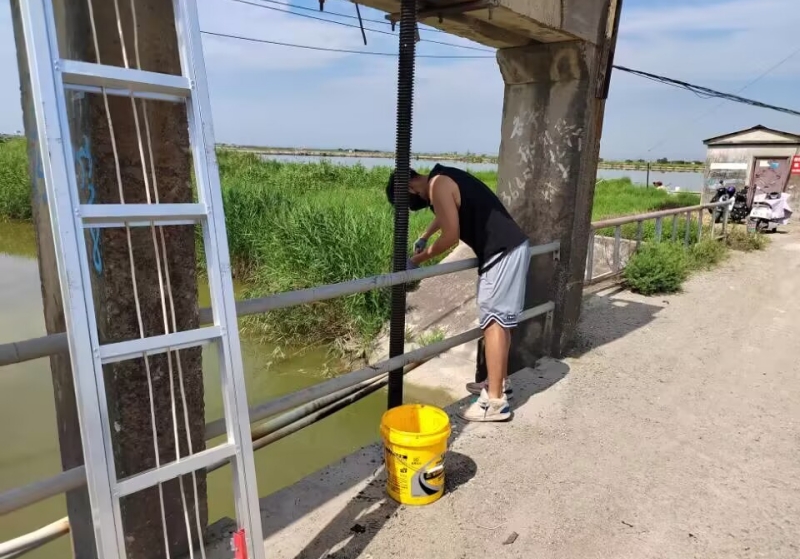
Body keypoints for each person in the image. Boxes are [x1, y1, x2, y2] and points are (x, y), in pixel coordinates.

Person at [385, 164, 529, 422]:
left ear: (409, 188)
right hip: (507, 249)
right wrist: (425, 236)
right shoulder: (442, 179)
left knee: (494, 322)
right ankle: (498, 382)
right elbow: (445, 213)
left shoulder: (438, 185)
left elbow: (451, 235)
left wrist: (417, 260)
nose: (414, 206)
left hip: (501, 251)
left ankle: (495, 402)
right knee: (500, 321)